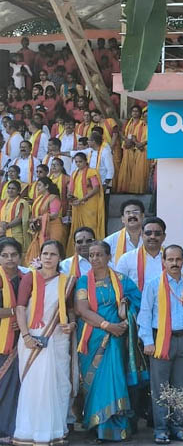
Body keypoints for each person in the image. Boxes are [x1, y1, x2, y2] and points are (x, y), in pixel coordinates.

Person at [74, 240, 143, 441]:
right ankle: (96, 424)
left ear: (108, 256)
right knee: (94, 381)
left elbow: (138, 303)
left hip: (116, 339)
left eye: (99, 254)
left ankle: (115, 428)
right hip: (92, 337)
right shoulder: (83, 281)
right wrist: (107, 325)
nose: (94, 258)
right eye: (91, 255)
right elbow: (82, 310)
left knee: (113, 379)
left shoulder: (122, 280)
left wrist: (126, 318)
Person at [138, 244, 183, 444]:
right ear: (163, 261)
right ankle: (161, 429)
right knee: (161, 389)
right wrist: (148, 341)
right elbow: (145, 314)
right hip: (160, 340)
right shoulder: (153, 284)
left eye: (178, 259)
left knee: (179, 388)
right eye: (170, 259)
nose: (174, 263)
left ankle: (177, 427)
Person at [13, 240, 74, 446]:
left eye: (53, 254)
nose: (48, 257)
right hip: (32, 338)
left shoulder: (66, 281)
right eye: (45, 253)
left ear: (60, 258)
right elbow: (20, 308)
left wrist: (71, 324)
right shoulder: (30, 277)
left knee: (58, 384)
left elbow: (71, 309)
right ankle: (29, 431)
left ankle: (54, 431)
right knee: (33, 385)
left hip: (58, 339)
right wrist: (26, 336)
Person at [0, 238, 24, 444]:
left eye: (14, 255)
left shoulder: (27, 279)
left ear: (20, 256)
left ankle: (9, 429)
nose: (10, 259)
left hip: (21, 341)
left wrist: (23, 319)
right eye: (5, 255)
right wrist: (15, 313)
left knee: (14, 387)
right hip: (2, 340)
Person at [116, 217, 169, 292]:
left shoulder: (172, 258)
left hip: (165, 299)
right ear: (142, 234)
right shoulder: (126, 259)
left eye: (157, 234)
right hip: (137, 299)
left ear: (164, 236)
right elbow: (119, 286)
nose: (152, 236)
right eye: (148, 233)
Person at [68, 152, 105, 253]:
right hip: (77, 205)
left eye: (80, 161)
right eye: (76, 162)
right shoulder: (74, 174)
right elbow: (71, 189)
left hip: (89, 204)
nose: (78, 164)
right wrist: (70, 197)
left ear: (86, 161)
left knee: (90, 226)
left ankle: (95, 250)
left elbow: (96, 188)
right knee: (78, 228)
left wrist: (82, 199)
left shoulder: (91, 172)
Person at [25, 177, 65, 263]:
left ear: (46, 186)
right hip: (40, 229)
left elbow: (54, 215)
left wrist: (38, 218)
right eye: (37, 185)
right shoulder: (38, 198)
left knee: (53, 251)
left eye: (39, 185)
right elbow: (34, 214)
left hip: (52, 228)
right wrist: (32, 221)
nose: (37, 187)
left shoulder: (53, 198)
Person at [114, 105, 149, 194]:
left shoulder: (143, 124)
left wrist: (135, 142)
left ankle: (137, 189)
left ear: (140, 113)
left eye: (137, 111)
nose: (135, 113)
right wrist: (126, 140)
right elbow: (123, 133)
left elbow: (142, 138)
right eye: (133, 111)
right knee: (127, 169)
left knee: (137, 171)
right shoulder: (128, 123)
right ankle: (126, 188)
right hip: (129, 147)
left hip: (138, 148)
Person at [104, 199, 145, 263]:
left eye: (135, 212)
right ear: (122, 219)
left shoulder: (152, 238)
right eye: (128, 213)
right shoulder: (110, 241)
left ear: (142, 216)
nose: (132, 215)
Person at [0, 182, 26, 256]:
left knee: (15, 254)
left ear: (18, 191)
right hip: (2, 234)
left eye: (13, 189)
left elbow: (19, 218)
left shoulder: (22, 202)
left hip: (16, 234)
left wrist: (6, 226)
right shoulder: (2, 202)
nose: (10, 190)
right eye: (9, 188)